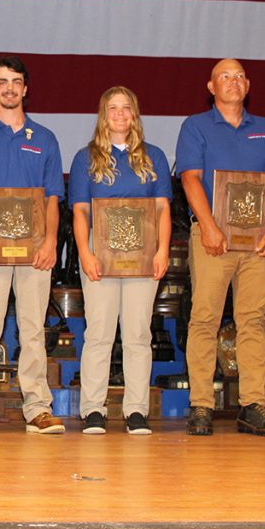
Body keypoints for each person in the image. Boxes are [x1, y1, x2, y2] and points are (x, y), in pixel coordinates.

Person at [175, 58, 265, 437]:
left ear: (248, 85)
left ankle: (252, 405)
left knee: (253, 321)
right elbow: (190, 179)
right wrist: (207, 226)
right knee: (205, 318)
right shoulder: (196, 126)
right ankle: (201, 405)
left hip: (259, 243)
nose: (233, 81)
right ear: (211, 86)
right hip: (213, 239)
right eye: (225, 76)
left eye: (239, 76)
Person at [0, 56, 65, 435]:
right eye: (2, 82)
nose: (9, 88)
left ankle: (37, 406)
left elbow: (53, 198)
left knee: (33, 329)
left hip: (36, 252)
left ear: (25, 88)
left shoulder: (46, 139)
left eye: (15, 81)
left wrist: (51, 240)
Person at [70, 87, 172, 435]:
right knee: (99, 334)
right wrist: (85, 252)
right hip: (99, 257)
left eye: (125, 108)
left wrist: (162, 251)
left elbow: (162, 208)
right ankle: (93, 409)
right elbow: (81, 211)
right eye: (112, 108)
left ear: (135, 114)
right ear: (103, 114)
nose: (119, 114)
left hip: (143, 260)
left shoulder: (153, 156)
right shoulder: (87, 158)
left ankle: (136, 410)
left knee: (138, 335)